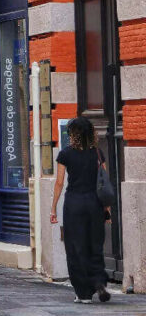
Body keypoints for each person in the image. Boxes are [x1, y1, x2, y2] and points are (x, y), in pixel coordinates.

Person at [51, 116, 111, 304]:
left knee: (76, 247)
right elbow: (104, 183)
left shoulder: (66, 154)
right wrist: (107, 209)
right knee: (95, 244)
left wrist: (53, 208)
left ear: (74, 135)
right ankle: (99, 282)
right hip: (94, 204)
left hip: (74, 204)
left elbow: (59, 183)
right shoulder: (98, 154)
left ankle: (83, 293)